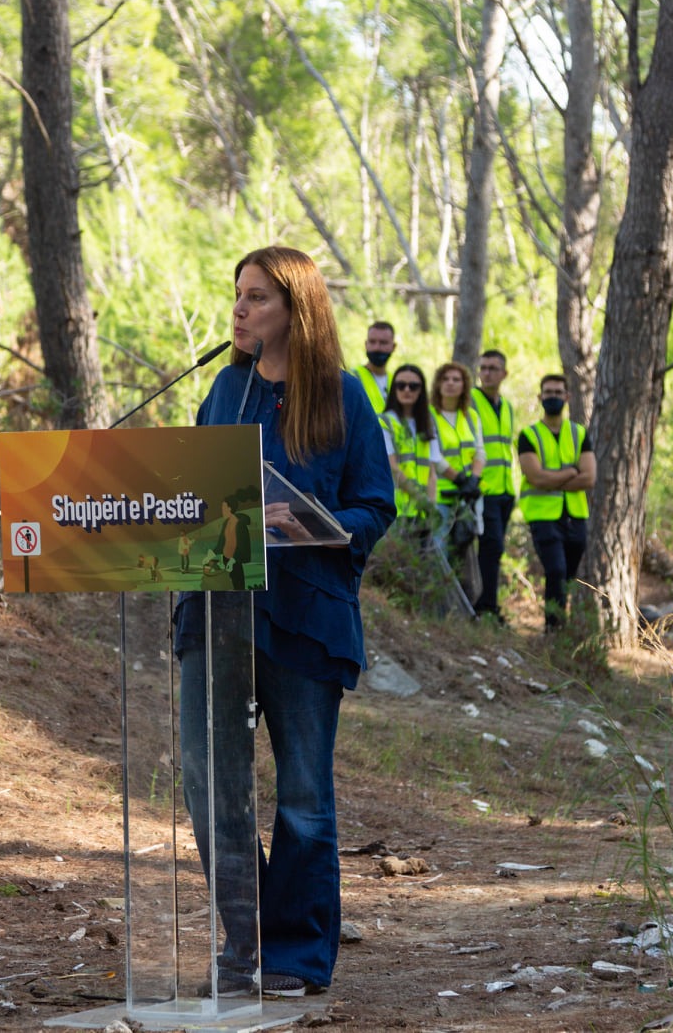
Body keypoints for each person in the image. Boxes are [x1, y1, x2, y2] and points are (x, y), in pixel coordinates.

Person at [175, 245, 395, 998]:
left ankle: (295, 957)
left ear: (297, 310)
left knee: (302, 793)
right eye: (237, 295)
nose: (240, 310)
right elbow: (187, 500)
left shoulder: (341, 395)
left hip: (304, 615)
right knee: (209, 781)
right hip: (216, 610)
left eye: (258, 297)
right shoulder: (222, 393)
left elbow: (376, 503)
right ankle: (246, 942)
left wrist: (316, 522)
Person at [517, 374, 594, 631]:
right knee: (556, 571)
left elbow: (589, 477)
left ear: (567, 397)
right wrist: (570, 472)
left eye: (558, 392)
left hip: (575, 516)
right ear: (540, 397)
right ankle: (554, 628)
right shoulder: (529, 435)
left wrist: (554, 480)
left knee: (568, 576)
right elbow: (536, 477)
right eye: (548, 393)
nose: (553, 397)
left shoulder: (579, 433)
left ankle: (560, 624)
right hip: (542, 515)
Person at [470, 349, 516, 620]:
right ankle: (485, 605)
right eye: (483, 367)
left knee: (494, 549)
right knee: (491, 547)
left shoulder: (507, 406)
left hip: (505, 491)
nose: (486, 373)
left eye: (493, 368)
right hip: (482, 489)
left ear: (504, 373)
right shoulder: (472, 400)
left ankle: (487, 602)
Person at [381, 364, 443, 520]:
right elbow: (392, 468)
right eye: (401, 385)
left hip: (422, 513)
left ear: (421, 390)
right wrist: (421, 500)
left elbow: (431, 472)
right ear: (394, 389)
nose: (407, 390)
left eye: (413, 386)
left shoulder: (428, 422)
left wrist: (431, 506)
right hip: (396, 512)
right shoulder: (385, 422)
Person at [354, 320, 395, 421]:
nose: (377, 348)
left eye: (383, 343)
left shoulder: (398, 382)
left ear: (393, 347)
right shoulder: (353, 378)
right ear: (366, 344)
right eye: (372, 342)